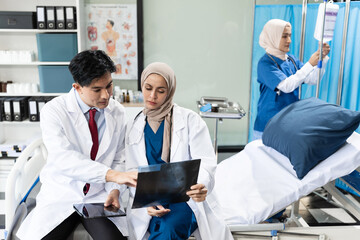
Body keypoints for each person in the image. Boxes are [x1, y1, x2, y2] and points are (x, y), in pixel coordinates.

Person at [17, 50, 137, 240]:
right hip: (62, 192)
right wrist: (113, 175)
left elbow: (119, 158)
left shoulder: (118, 112)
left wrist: (115, 189)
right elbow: (64, 158)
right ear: (78, 87)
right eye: (97, 90)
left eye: (109, 86)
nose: (106, 95)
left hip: (99, 196)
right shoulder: (54, 111)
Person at [125, 62, 233, 240]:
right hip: (149, 200)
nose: (152, 96)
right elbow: (129, 170)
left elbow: (205, 162)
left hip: (184, 199)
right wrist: (145, 204)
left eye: (161, 91)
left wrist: (201, 185)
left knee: (168, 228)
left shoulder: (190, 120)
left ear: (170, 91)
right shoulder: (132, 125)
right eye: (148, 88)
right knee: (158, 227)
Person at [253, 19, 330, 140]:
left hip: (288, 126)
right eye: (284, 36)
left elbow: (313, 79)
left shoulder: (291, 60)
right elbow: (286, 86)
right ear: (273, 37)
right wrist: (309, 64)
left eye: (289, 35)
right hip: (267, 127)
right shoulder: (265, 63)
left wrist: (322, 59)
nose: (289, 40)